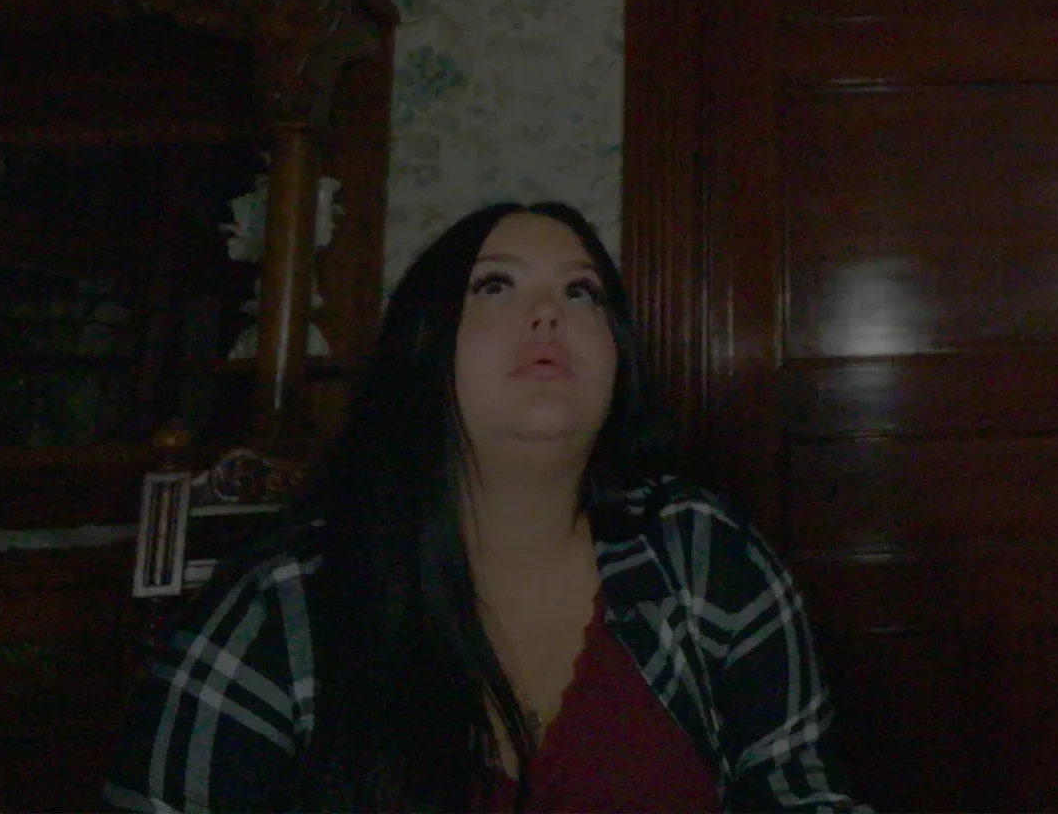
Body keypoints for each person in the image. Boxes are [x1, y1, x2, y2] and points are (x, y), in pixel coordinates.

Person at [105, 201, 862, 813]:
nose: (549, 313)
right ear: (424, 345)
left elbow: (802, 792)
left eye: (582, 292)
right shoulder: (282, 606)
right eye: (495, 285)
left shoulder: (703, 552)